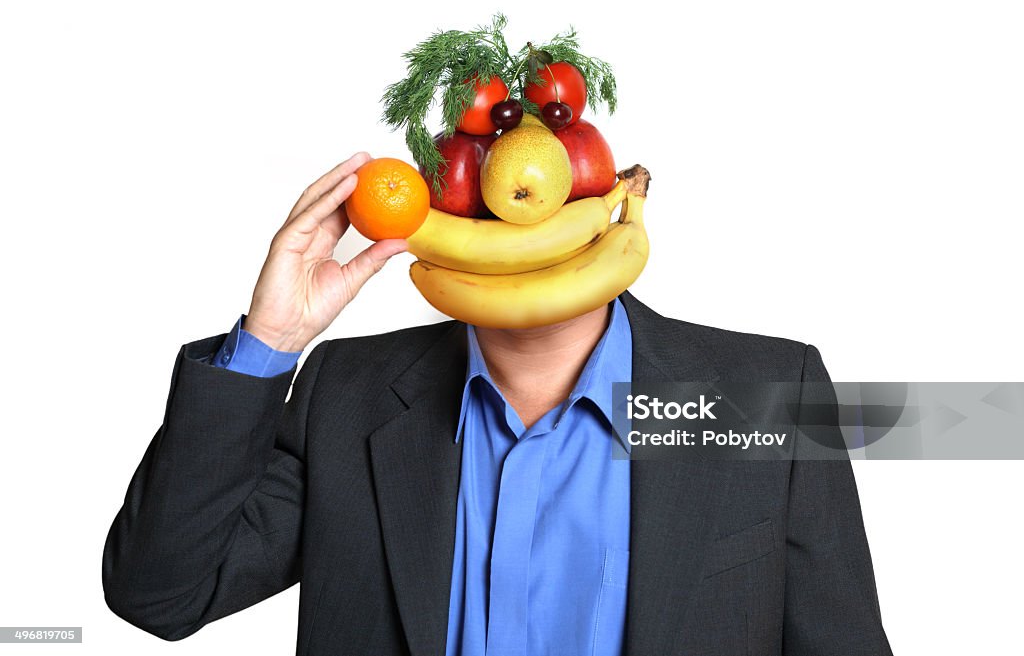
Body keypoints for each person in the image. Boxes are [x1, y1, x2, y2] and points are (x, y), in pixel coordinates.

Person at [102, 152, 893, 655]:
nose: (521, 208)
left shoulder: (765, 393)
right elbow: (159, 595)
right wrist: (270, 339)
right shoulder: (345, 393)